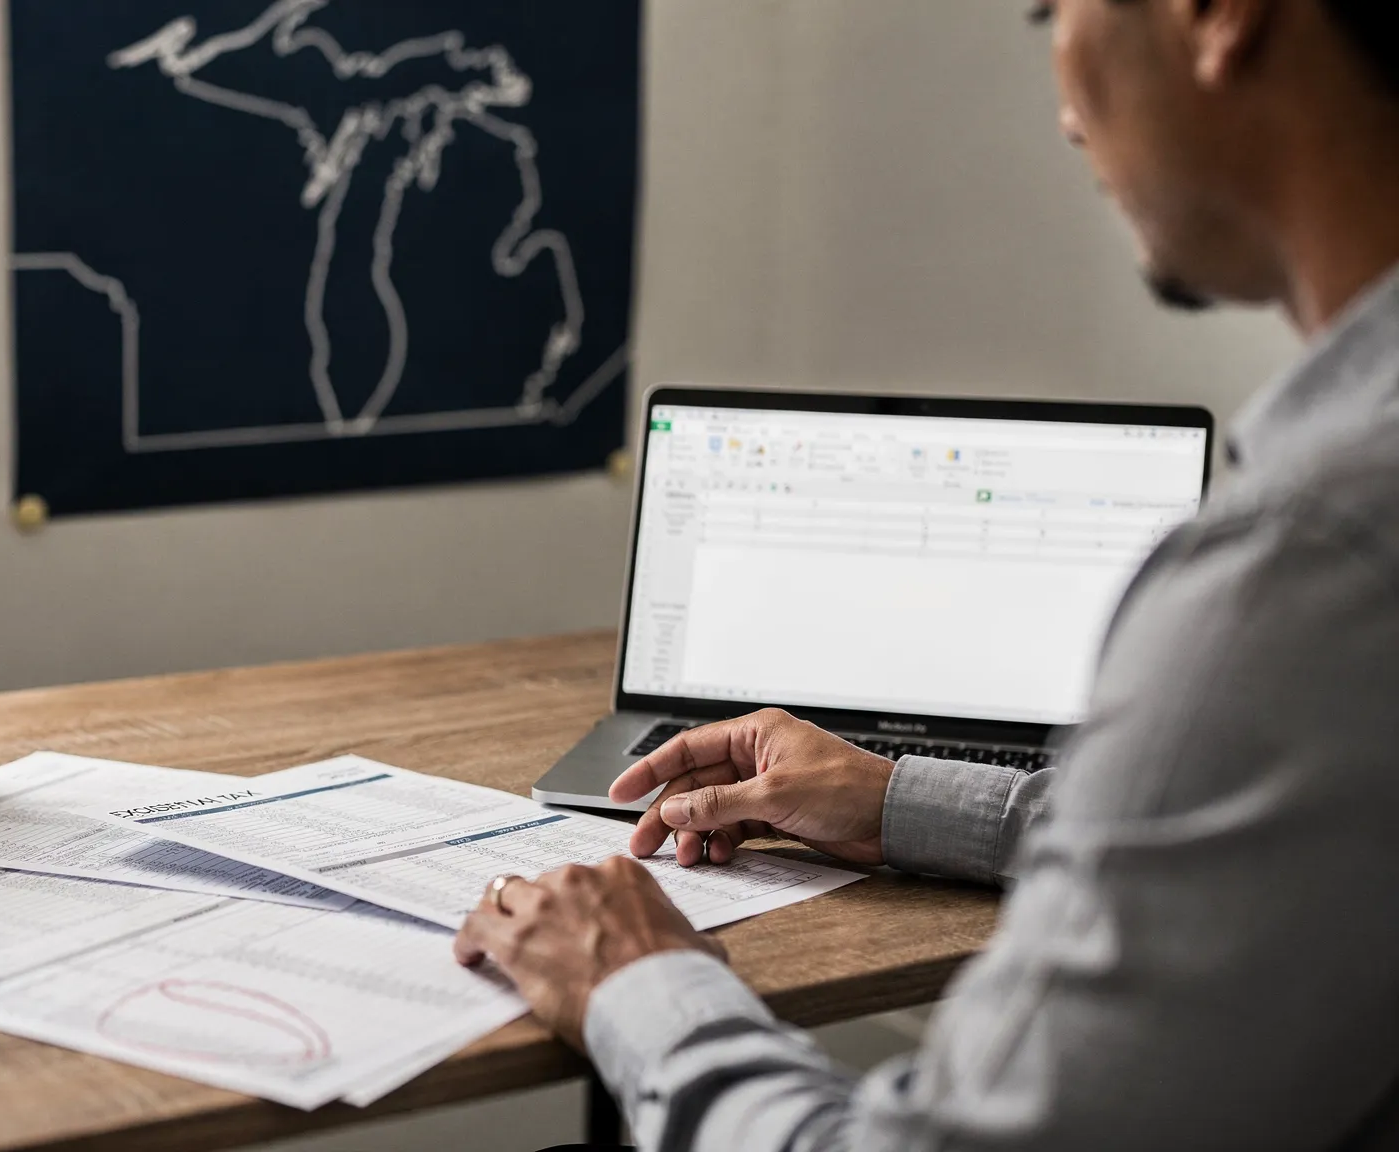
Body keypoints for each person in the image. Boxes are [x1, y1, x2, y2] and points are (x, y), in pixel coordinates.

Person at [451, 0, 1399, 1147]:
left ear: (1213, 17)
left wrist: (637, 980)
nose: (1060, 111)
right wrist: (896, 797)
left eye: (1053, 11)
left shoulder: (1305, 566)